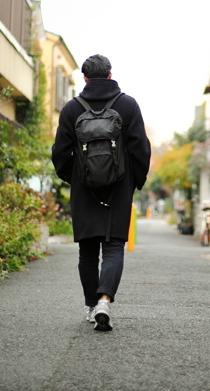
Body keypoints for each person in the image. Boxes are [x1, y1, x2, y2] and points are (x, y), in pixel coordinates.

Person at [50, 54, 151, 331]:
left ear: (84, 78)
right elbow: (140, 148)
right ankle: (105, 299)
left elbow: (60, 153)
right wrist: (134, 181)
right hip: (119, 188)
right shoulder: (128, 105)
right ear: (110, 74)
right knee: (115, 247)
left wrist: (74, 177)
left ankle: (91, 305)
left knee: (87, 251)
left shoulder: (72, 109)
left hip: (84, 189)